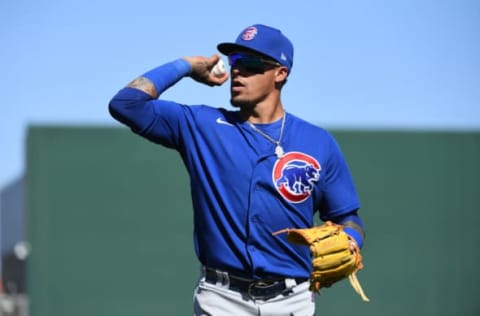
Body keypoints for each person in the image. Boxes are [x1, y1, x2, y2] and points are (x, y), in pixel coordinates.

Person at [109, 24, 366, 316]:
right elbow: (126, 104)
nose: (237, 72)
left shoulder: (317, 143)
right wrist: (187, 65)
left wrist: (351, 240)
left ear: (280, 73)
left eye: (251, 64)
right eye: (234, 62)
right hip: (221, 299)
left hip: (293, 300)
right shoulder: (201, 126)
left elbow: (347, 217)